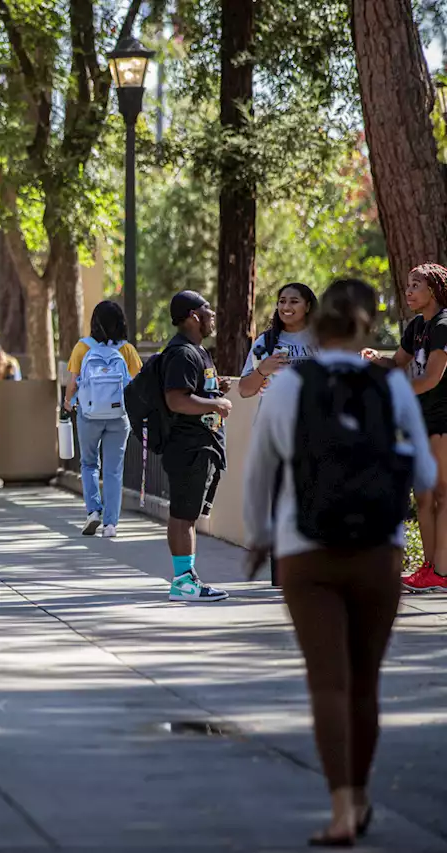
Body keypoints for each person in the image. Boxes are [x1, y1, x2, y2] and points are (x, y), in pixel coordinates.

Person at [245, 279, 435, 846]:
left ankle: (342, 810)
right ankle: (362, 791)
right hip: (379, 552)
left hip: (307, 553)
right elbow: (423, 475)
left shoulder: (289, 385)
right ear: (368, 328)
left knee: (328, 683)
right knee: (365, 684)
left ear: (318, 323)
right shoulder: (391, 385)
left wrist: (260, 538)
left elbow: (258, 476)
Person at [365, 262, 447, 593]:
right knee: (424, 497)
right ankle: (430, 568)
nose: (408, 291)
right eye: (407, 285)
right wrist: (375, 358)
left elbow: (431, 378)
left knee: (442, 493)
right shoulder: (417, 326)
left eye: (415, 285)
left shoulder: (443, 325)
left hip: (442, 418)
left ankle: (441, 572)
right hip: (421, 417)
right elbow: (397, 362)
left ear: (434, 289)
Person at [162, 291, 233, 603]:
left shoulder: (197, 352)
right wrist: (215, 403)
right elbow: (176, 399)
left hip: (200, 445)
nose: (212, 314)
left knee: (187, 514)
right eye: (207, 308)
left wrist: (215, 391)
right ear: (193, 315)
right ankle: (182, 581)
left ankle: (186, 578)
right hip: (188, 446)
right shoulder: (182, 353)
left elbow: (194, 391)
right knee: (183, 515)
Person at [62, 301, 142, 538]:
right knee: (114, 470)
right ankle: (111, 524)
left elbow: (72, 382)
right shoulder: (127, 350)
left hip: (89, 414)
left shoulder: (82, 347)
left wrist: (68, 403)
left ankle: (93, 512)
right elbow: (137, 383)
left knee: (88, 463)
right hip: (119, 416)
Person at [238, 282, 319, 399]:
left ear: (308, 306)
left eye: (294, 302)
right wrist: (262, 370)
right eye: (282, 301)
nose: (286, 307)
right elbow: (244, 391)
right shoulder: (266, 341)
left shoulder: (325, 339)